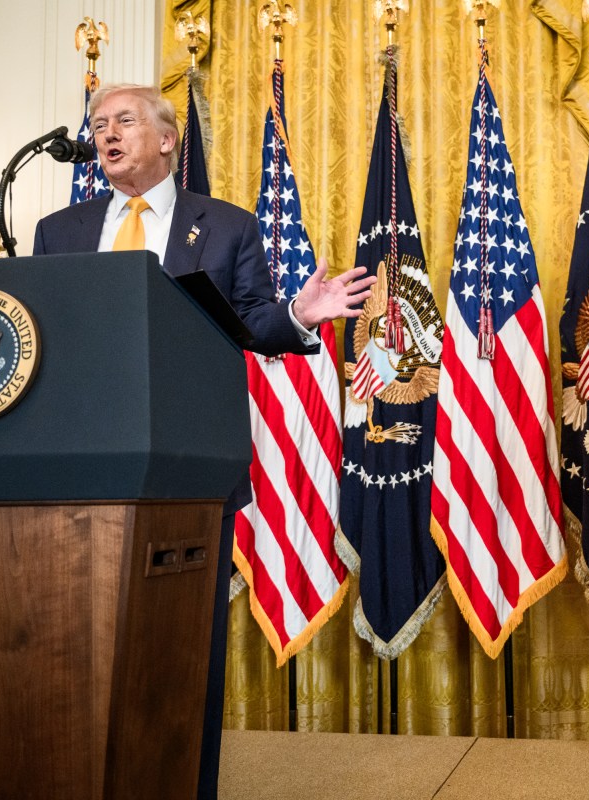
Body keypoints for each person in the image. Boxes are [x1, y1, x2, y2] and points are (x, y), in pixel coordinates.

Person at [32, 83, 374, 800]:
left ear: (165, 140)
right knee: (78, 638)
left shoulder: (224, 226)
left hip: (188, 464)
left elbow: (252, 323)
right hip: (77, 461)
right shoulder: (58, 230)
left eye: (123, 121)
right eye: (98, 124)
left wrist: (299, 313)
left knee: (184, 646)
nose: (106, 133)